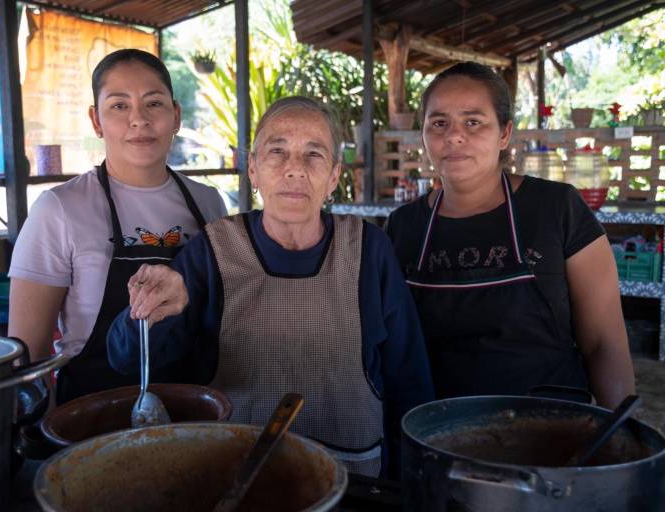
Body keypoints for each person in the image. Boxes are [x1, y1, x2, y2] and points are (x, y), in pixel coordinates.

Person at [106, 96, 434, 477]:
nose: (294, 169)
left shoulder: (368, 250)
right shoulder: (214, 250)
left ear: (333, 177)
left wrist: (412, 480)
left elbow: (408, 376)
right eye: (277, 151)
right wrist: (151, 311)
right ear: (253, 169)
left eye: (314, 154)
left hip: (351, 479)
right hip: (236, 476)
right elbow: (125, 358)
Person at [385, 62, 634, 409]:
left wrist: (618, 439)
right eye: (439, 123)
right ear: (424, 134)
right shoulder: (404, 226)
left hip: (552, 432)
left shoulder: (557, 208)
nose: (454, 136)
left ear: (504, 133)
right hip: (434, 431)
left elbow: (604, 344)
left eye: (473, 122)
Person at [8, 49, 227, 404]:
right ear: (96, 121)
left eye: (153, 103)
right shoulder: (60, 209)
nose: (138, 119)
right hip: (93, 417)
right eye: (119, 106)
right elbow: (26, 357)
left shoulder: (208, 203)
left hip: (194, 409)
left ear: (176, 115)